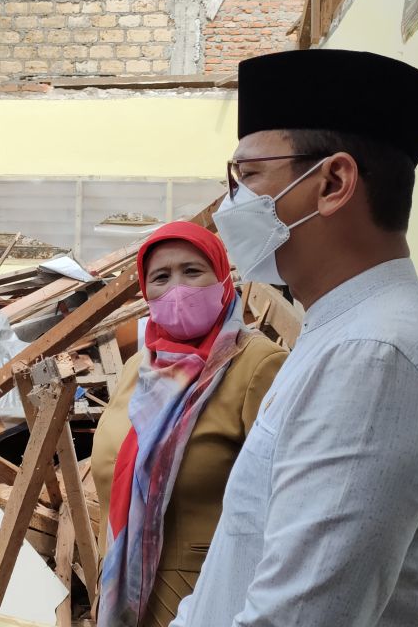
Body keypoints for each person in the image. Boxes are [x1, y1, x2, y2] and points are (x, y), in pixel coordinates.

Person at [171, 49, 418, 627]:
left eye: (247, 178)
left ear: (333, 183)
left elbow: (298, 618)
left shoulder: (376, 360)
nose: (230, 205)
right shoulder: (343, 332)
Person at [91, 221, 288, 627]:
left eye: (193, 271)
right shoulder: (138, 369)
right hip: (125, 591)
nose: (177, 288)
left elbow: (285, 499)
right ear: (147, 292)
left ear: (222, 279)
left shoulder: (257, 364)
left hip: (206, 597)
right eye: (161, 277)